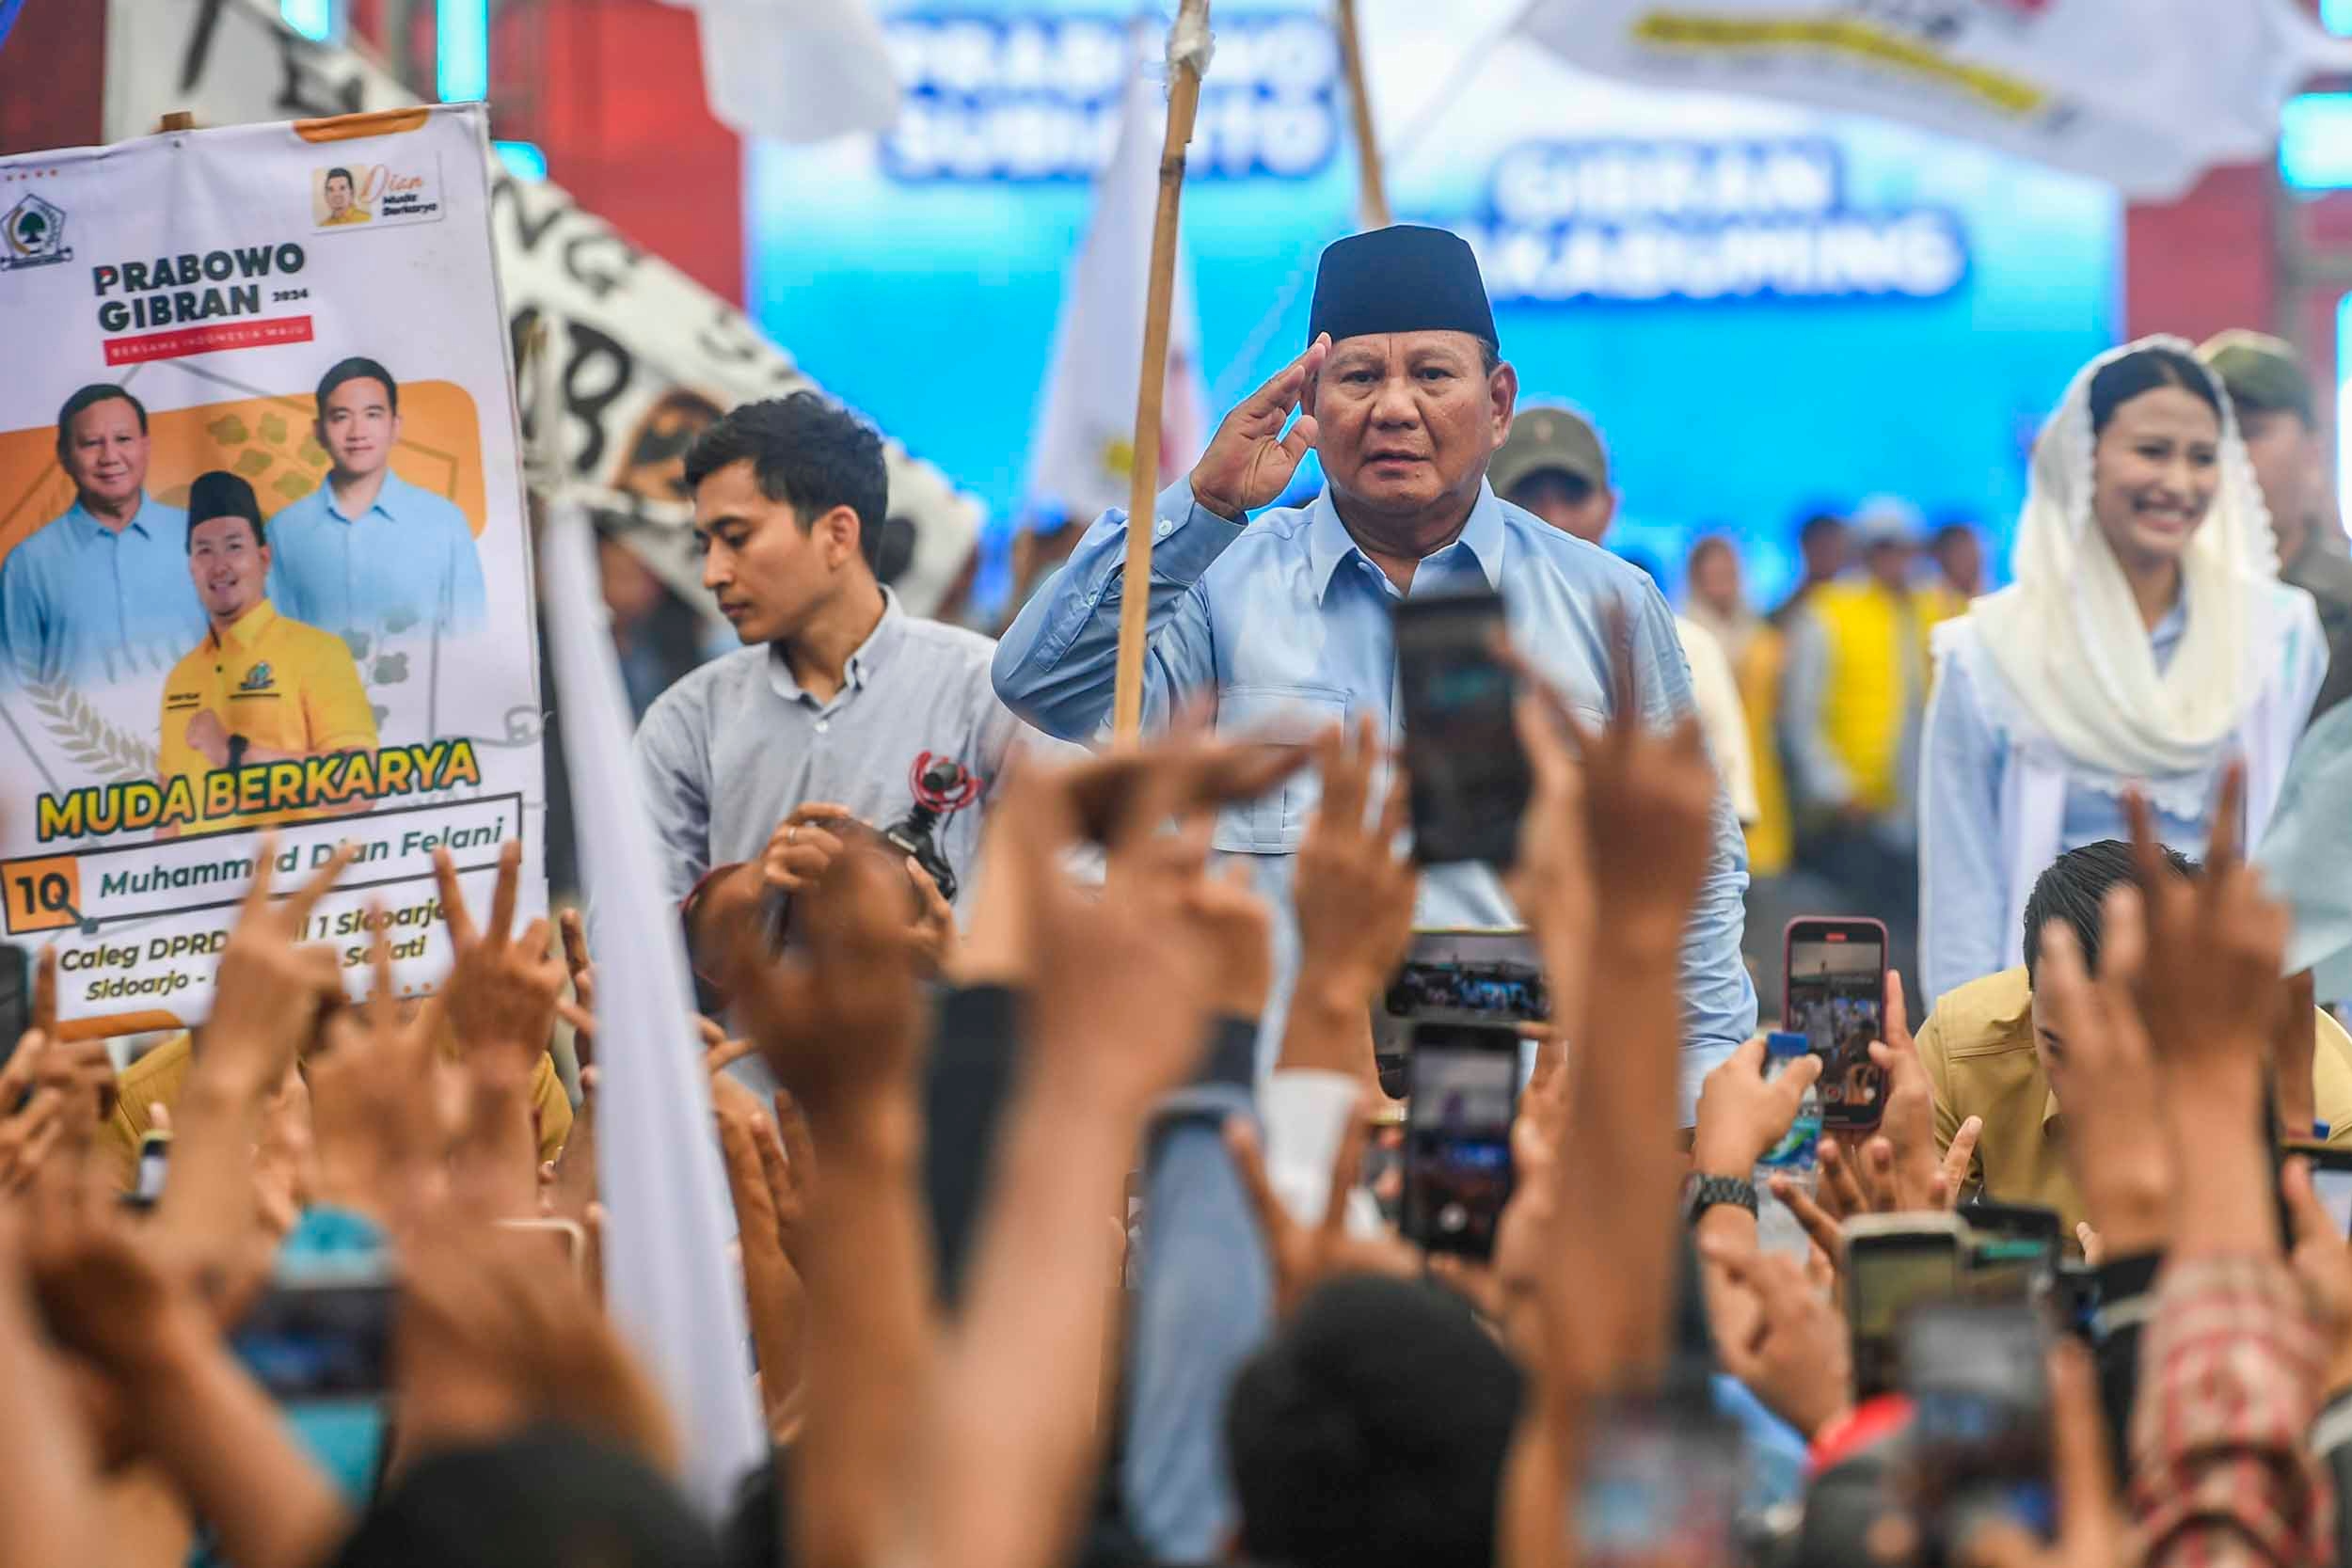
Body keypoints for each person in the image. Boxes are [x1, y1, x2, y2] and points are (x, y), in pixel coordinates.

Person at [993, 224, 1757, 1114]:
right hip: (1280, 1125)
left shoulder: (1610, 605)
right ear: (1310, 402)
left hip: (1541, 1131)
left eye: (1432, 374)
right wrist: (1201, 506)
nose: (1395, 408)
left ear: (1498, 402)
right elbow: (1045, 685)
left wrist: (1698, 1121)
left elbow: (1692, 875)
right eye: (1359, 378)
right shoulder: (1219, 587)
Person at [1919, 340, 2329, 1004]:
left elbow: (2308, 864)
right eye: (2151, 450)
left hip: (2228, 1018)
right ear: (2085, 457)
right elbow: (1962, 896)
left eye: (2202, 456)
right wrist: (1975, 1067)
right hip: (2052, 1019)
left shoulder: (2279, 635)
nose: (2179, 481)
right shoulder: (1989, 653)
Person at [633, 390, 1024, 972]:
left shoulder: (988, 691)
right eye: (706, 544)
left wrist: (954, 963)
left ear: (839, 534)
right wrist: (748, 892)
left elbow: (1082, 899)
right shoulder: (686, 722)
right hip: (736, 1065)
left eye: (736, 537)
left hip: (937, 1060)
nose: (713, 573)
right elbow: (625, 944)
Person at [1915, 837, 2352, 1237]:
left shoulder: (2322, 1097)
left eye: (2138, 1048)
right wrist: (1908, 1241)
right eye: (2060, 1047)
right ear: (2031, 998)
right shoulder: (1963, 1049)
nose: (2100, 1085)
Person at [1492, 404, 1757, 827]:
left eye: (1573, 495)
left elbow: (1722, 833)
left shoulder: (1687, 647)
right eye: (1527, 497)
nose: (1553, 518)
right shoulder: (1463, 644)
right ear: (1488, 510)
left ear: (1611, 506)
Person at [156, 470, 379, 835]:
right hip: (206, 887)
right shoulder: (181, 676)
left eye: (234, 546)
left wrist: (234, 754)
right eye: (204, 551)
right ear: (192, 568)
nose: (220, 565)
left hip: (295, 881)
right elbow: (169, 816)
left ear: (264, 557)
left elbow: (359, 787)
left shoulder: (318, 652)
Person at [1781, 497, 1930, 1003]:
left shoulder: (1925, 610)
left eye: (1904, 548)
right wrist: (1838, 791)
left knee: (1906, 948)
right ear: (1864, 552)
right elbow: (1800, 719)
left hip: (1912, 819)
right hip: (1851, 821)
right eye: (1883, 548)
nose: (1896, 560)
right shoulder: (1829, 613)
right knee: (1848, 949)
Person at [266, 356, 488, 644]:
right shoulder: (283, 531)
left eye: (372, 414)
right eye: (341, 417)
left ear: (395, 426)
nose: (357, 433)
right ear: (318, 431)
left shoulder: (445, 522)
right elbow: (277, 645)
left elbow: (472, 642)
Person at [0, 384, 205, 688]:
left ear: (145, 445)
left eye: (123, 439)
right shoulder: (27, 564)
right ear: (64, 455)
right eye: (91, 443)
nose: (110, 456)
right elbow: (13, 691)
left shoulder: (201, 537)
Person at [2201, 330, 2352, 704]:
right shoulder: (2161, 601)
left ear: (2313, 452)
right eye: (2210, 437)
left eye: (2250, 432)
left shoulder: (2344, 600)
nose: (2229, 456)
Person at [1768, 508, 1848, 627]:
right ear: (1805, 546)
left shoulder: (1858, 601)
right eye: (1822, 546)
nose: (1828, 553)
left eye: (1834, 545)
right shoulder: (1785, 613)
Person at [1923, 515, 1984, 626]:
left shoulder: (1990, 601)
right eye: (1961, 555)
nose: (1971, 561)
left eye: (1973, 552)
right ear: (1941, 558)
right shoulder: (1924, 605)